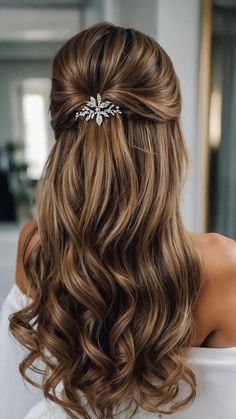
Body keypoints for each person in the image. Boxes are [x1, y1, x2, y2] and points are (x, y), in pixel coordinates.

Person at [1, 22, 236, 419]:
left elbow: (16, 393)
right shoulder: (223, 265)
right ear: (172, 137)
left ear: (62, 136)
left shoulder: (36, 245)